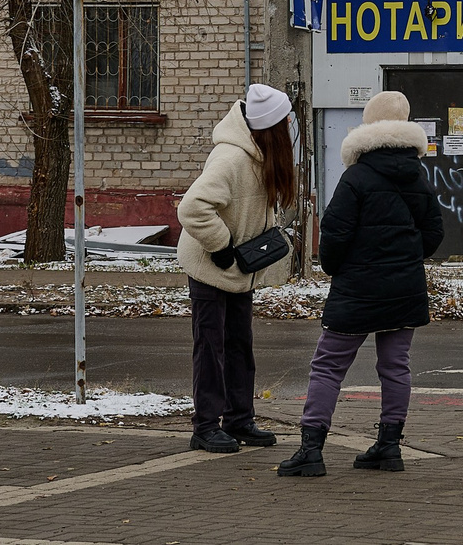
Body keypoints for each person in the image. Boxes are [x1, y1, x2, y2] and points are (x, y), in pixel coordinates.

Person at [277, 89, 441, 478]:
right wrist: (406, 257)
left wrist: (336, 268)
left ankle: (311, 450)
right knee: (396, 365)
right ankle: (389, 447)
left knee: (328, 365)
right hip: (404, 286)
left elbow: (334, 234)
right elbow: (434, 233)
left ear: (368, 126)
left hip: (357, 287)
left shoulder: (356, 177)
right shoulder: (418, 176)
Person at [178, 82, 300, 454]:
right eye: (285, 121)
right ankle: (205, 427)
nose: (290, 126)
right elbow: (192, 208)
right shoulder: (231, 157)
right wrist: (221, 246)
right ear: (271, 127)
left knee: (239, 347)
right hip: (210, 266)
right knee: (210, 347)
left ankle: (239, 419)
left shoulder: (260, 154)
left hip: (239, 271)